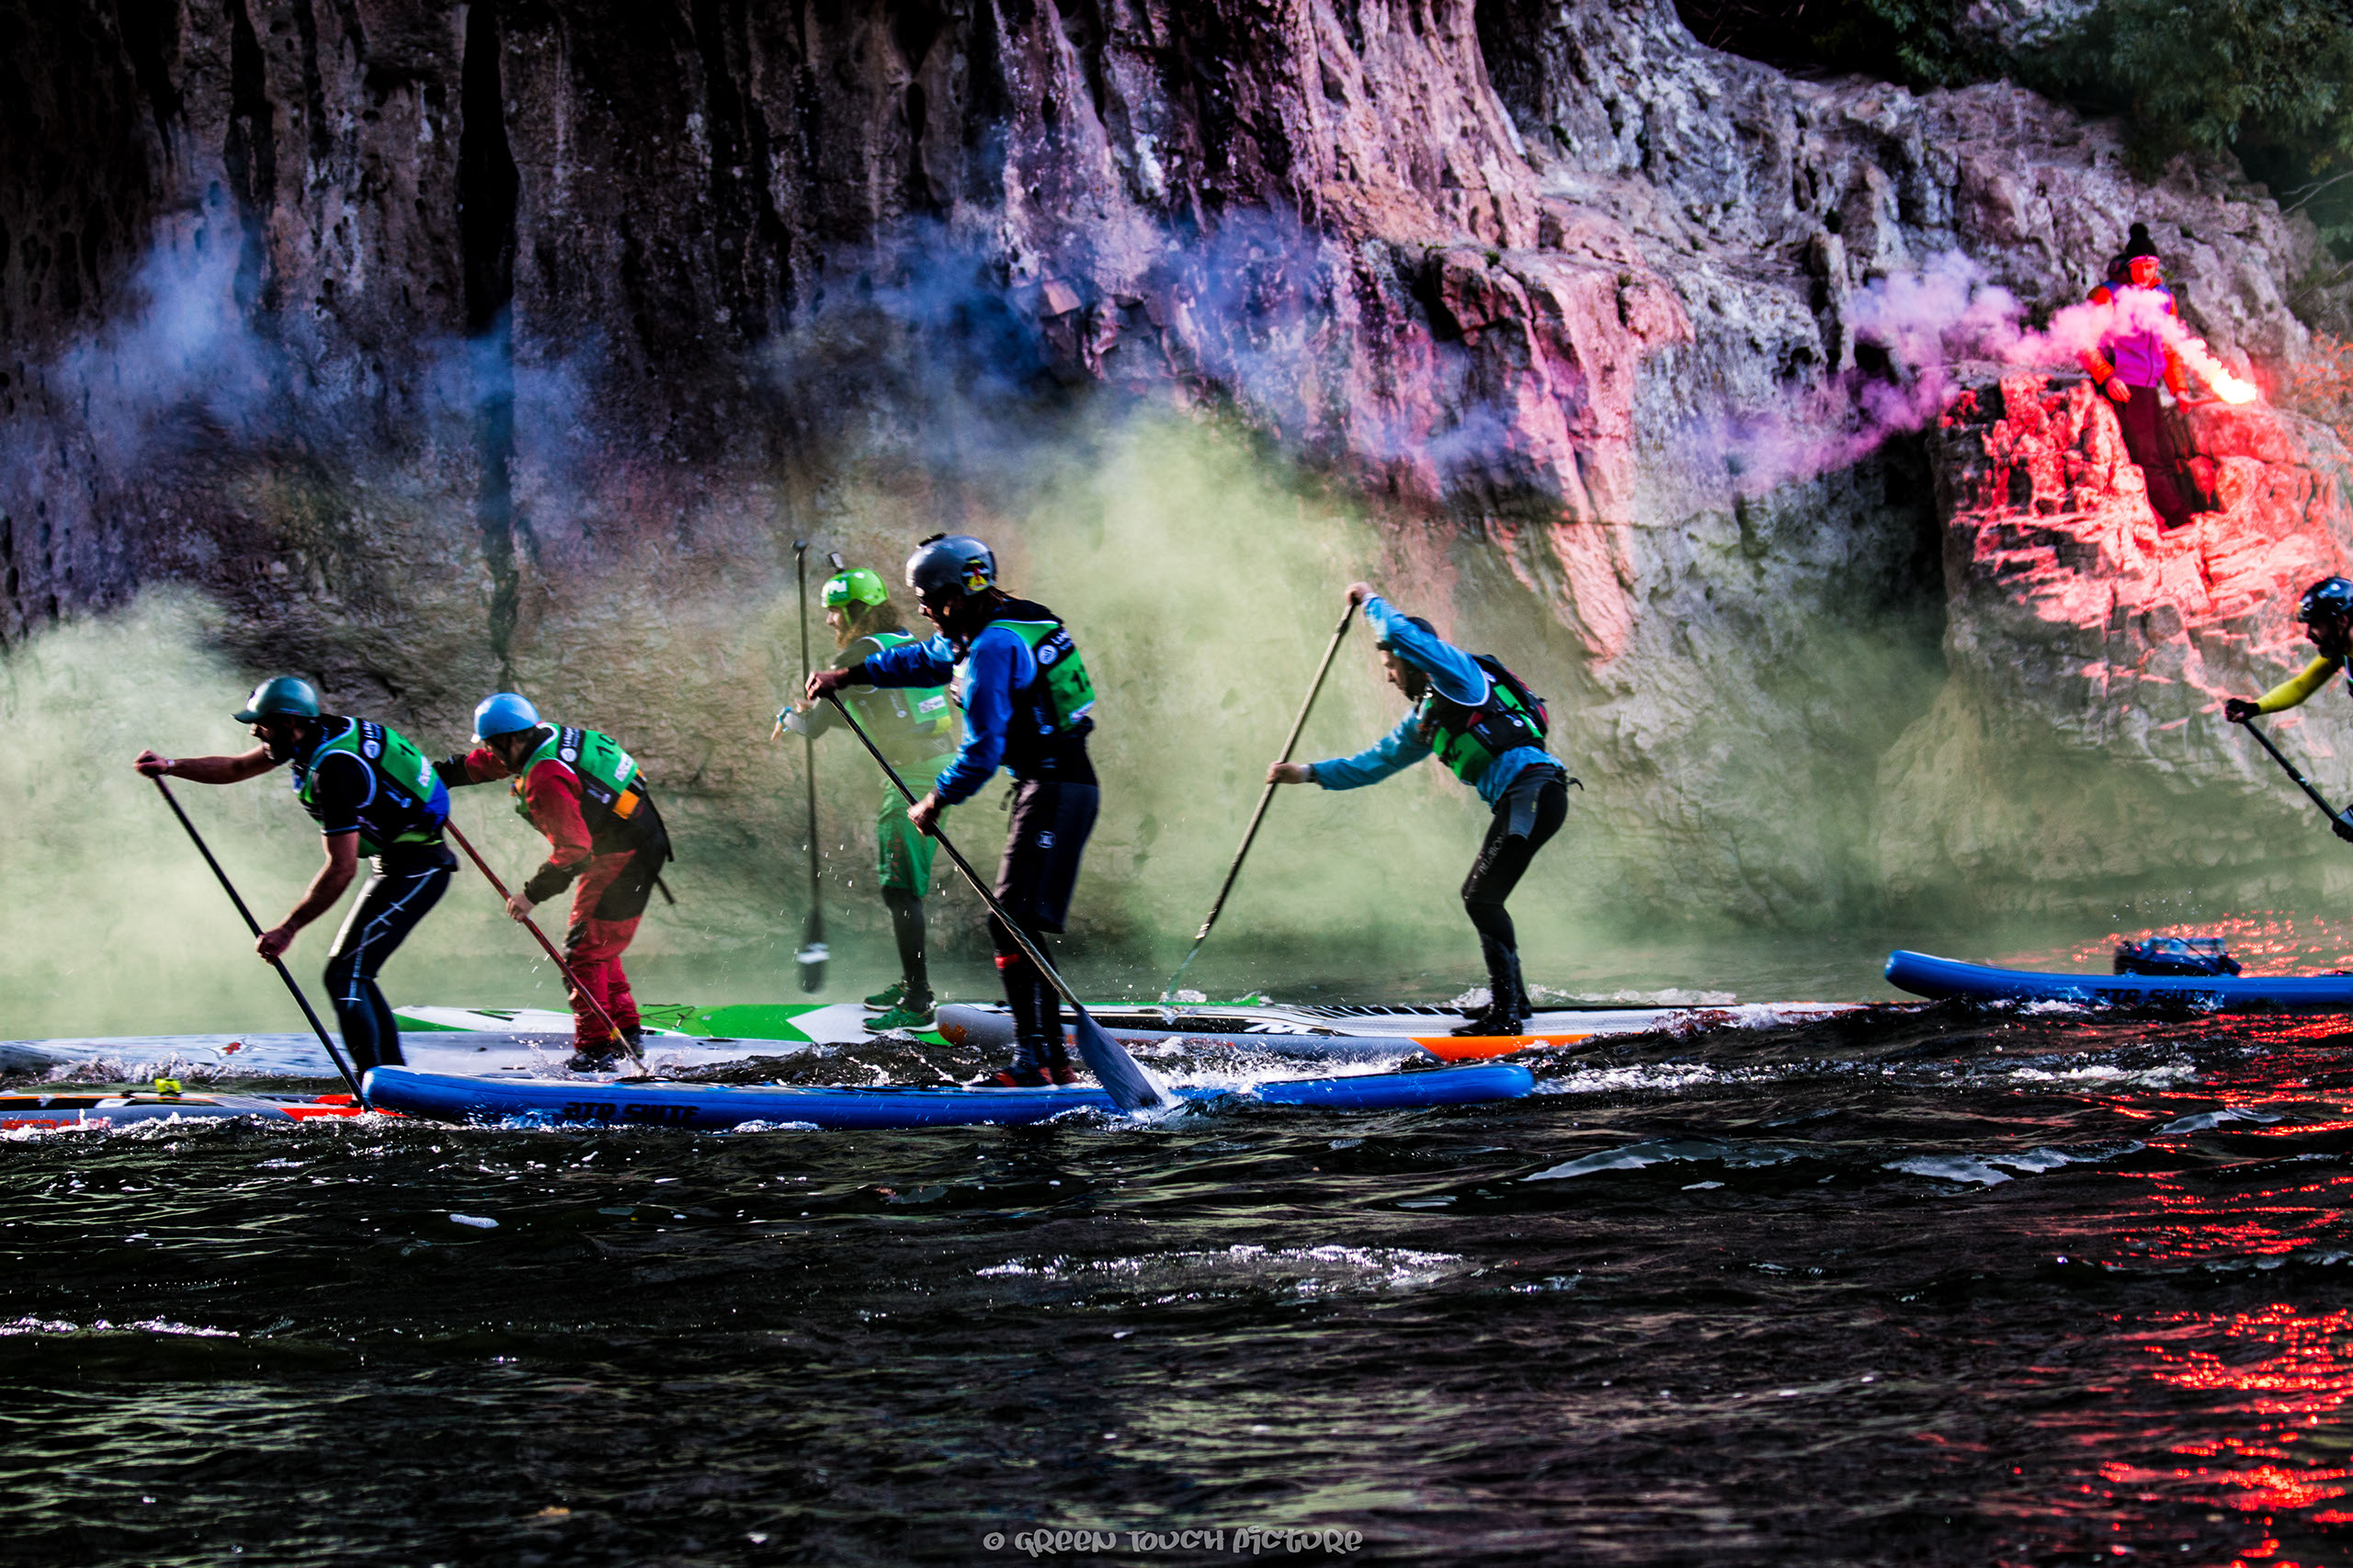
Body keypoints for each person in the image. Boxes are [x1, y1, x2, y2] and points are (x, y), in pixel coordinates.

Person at [807, 534, 1098, 1085]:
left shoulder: (991, 649)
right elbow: (922, 659)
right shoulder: (996, 625)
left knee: (1009, 921)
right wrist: (846, 675)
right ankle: (1050, 1057)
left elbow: (984, 750)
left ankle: (1034, 1060)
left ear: (965, 591)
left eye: (931, 596)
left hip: (1057, 788)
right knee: (1018, 924)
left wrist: (935, 799)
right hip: (1054, 788)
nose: (922, 607)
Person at [1267, 584, 1575, 1035]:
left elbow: (1398, 630)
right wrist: (1306, 772)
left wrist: (1369, 599)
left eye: (1391, 666)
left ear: (1414, 660)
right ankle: (1515, 1005)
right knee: (1484, 897)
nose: (1389, 677)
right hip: (1524, 798)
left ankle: (1506, 1015)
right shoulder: (1427, 718)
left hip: (1535, 790)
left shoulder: (1462, 678)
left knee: (1480, 897)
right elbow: (1372, 764)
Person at [131, 677, 454, 1074]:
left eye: (260, 723)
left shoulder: (334, 771)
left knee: (345, 975)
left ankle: (378, 1083)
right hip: (397, 863)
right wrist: (171, 766)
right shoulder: (311, 735)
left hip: (420, 867)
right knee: (353, 974)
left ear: (287, 722)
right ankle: (392, 1077)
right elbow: (235, 767)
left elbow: (341, 869)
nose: (253, 730)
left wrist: (287, 929)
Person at [433, 694, 673, 1071]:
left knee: (582, 955)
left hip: (625, 857)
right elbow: (484, 765)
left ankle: (595, 1054)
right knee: (598, 946)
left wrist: (529, 895)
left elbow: (575, 852)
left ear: (511, 740)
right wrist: (433, 779)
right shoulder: (545, 736)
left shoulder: (544, 775)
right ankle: (626, 1037)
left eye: (494, 745)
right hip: (636, 841)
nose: (491, 754)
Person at [775, 566, 961, 1032]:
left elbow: (815, 726)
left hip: (913, 777)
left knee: (899, 889)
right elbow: (863, 711)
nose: (829, 622)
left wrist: (790, 717)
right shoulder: (900, 640)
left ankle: (918, 1002)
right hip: (929, 767)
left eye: (834, 612)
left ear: (856, 611)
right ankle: (910, 984)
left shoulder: (859, 653)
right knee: (902, 886)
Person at [2078, 223, 2205, 530]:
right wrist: (2107, 377)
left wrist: (2179, 390)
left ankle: (2183, 511)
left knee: (2165, 453)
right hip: (2124, 384)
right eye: (2141, 266)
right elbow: (2083, 342)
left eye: (2152, 266)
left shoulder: (2164, 298)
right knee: (2147, 456)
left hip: (2150, 387)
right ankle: (2177, 517)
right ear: (2129, 265)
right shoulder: (2108, 295)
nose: (2147, 273)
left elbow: (2170, 347)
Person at [2225, 576, 2353, 841]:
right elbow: (2300, 686)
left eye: (2315, 625)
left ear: (2340, 622)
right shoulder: (2345, 651)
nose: (2308, 635)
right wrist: (2253, 708)